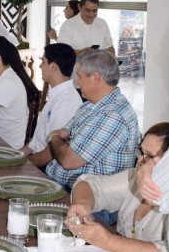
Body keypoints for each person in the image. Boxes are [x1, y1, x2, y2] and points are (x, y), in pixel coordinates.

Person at [66, 123, 169, 252]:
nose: (140, 161)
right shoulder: (135, 178)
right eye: (141, 152)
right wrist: (84, 204)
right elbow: (89, 185)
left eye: (149, 156)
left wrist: (107, 241)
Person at [43, 49, 140, 190]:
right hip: (61, 185)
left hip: (87, 201)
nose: (77, 82)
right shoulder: (90, 105)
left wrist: (54, 138)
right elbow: (64, 132)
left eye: (79, 76)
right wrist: (60, 138)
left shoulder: (113, 115)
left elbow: (69, 160)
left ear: (95, 78)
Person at [21, 43, 82, 165]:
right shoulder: (57, 95)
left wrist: (22, 166)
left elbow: (50, 154)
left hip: (45, 168)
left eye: (43, 62)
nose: (39, 66)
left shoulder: (66, 102)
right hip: (36, 158)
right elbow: (35, 144)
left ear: (53, 67)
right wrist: (13, 158)